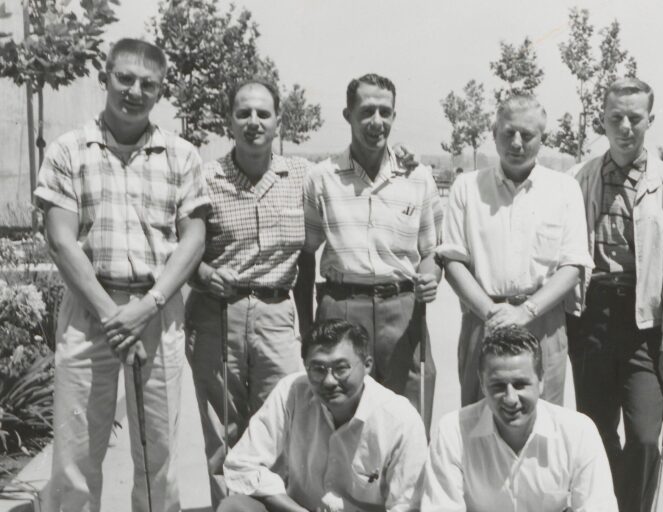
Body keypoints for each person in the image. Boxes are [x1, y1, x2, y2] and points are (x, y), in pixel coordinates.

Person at [34, 39, 210, 512]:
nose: (134, 91)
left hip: (157, 309)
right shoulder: (70, 150)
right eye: (124, 78)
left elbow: (193, 238)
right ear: (105, 77)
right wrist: (114, 316)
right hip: (90, 314)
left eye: (147, 84)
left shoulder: (182, 155)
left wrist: (147, 306)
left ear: (161, 91)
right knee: (75, 454)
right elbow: (60, 239)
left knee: (160, 454)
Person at [184, 77, 315, 508]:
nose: (253, 122)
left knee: (283, 424)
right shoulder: (206, 177)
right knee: (224, 428)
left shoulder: (302, 176)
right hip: (218, 312)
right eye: (244, 113)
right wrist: (201, 272)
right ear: (230, 121)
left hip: (277, 313)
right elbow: (177, 244)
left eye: (263, 113)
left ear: (279, 121)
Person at [567, 77, 663, 512]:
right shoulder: (579, 179)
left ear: (650, 121)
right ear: (601, 120)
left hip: (645, 324)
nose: (625, 126)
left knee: (643, 438)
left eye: (634, 118)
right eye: (615, 117)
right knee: (596, 433)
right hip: (592, 318)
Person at [302, 73, 443, 428]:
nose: (376, 122)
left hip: (402, 308)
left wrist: (430, 276)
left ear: (394, 116)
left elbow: (430, 251)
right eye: (366, 111)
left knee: (406, 416)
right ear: (348, 114)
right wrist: (306, 325)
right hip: (341, 305)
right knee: (341, 418)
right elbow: (306, 253)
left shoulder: (418, 177)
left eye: (385, 112)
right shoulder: (322, 178)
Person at [438, 94, 592, 407]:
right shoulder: (466, 188)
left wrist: (526, 312)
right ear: (494, 134)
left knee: (543, 427)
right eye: (508, 133)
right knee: (477, 421)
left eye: (528, 134)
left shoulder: (564, 189)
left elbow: (573, 267)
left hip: (543, 322)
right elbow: (453, 261)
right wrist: (490, 312)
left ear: (543, 138)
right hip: (483, 320)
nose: (517, 143)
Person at [218, 319, 428, 512]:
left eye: (341, 368)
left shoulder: (399, 419)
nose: (329, 381)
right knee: (235, 507)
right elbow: (241, 465)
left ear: (367, 365)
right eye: (318, 369)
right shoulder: (291, 392)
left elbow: (408, 506)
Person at [421, 325, 617, 512]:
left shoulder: (578, 433)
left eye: (520, 384)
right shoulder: (452, 433)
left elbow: (597, 506)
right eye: (498, 386)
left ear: (541, 381)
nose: (510, 398)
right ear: (482, 384)